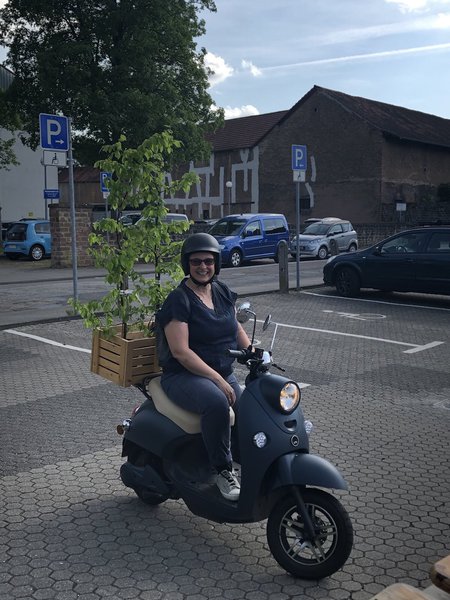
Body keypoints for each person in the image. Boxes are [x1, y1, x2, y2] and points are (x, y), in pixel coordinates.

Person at [157, 233, 251, 501]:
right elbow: (181, 352)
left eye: (208, 261)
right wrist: (218, 380)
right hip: (183, 376)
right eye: (196, 261)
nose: (202, 266)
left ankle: (244, 460)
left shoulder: (220, 290)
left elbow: (235, 326)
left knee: (249, 406)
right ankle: (222, 470)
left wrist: (252, 351)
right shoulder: (179, 299)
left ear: (216, 264)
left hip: (219, 373)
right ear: (187, 264)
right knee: (217, 403)